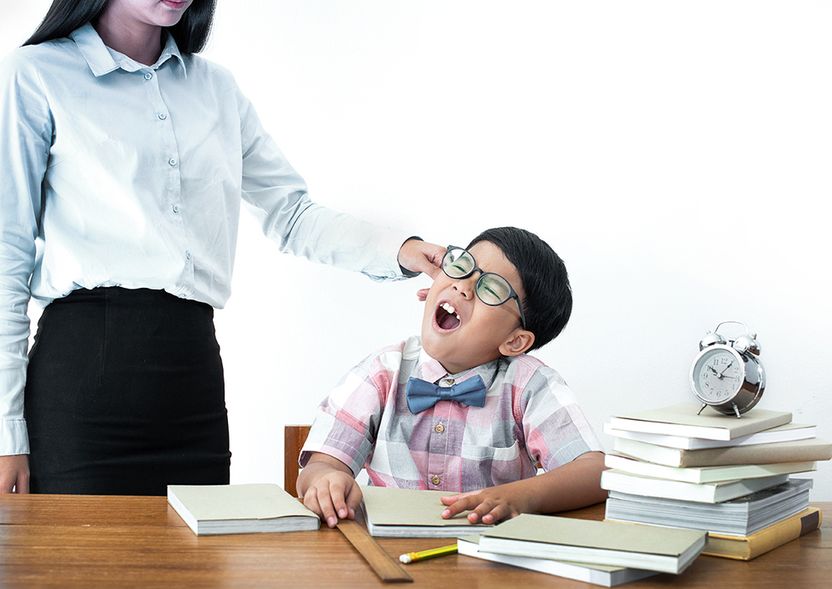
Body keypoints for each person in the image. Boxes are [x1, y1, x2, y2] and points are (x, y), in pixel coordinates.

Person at [0, 0, 444, 495]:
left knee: (194, 569)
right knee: (85, 570)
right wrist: (6, 435)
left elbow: (290, 212)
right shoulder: (36, 73)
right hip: (83, 380)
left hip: (193, 379)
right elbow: (6, 255)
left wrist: (401, 250)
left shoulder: (215, 89)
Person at [298, 227, 607, 528]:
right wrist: (327, 479)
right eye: (462, 267)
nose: (464, 286)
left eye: (493, 288)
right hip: (383, 552)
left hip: (487, 563)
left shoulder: (529, 384)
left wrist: (520, 497)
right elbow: (322, 464)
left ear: (515, 342)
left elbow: (594, 472)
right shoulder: (383, 372)